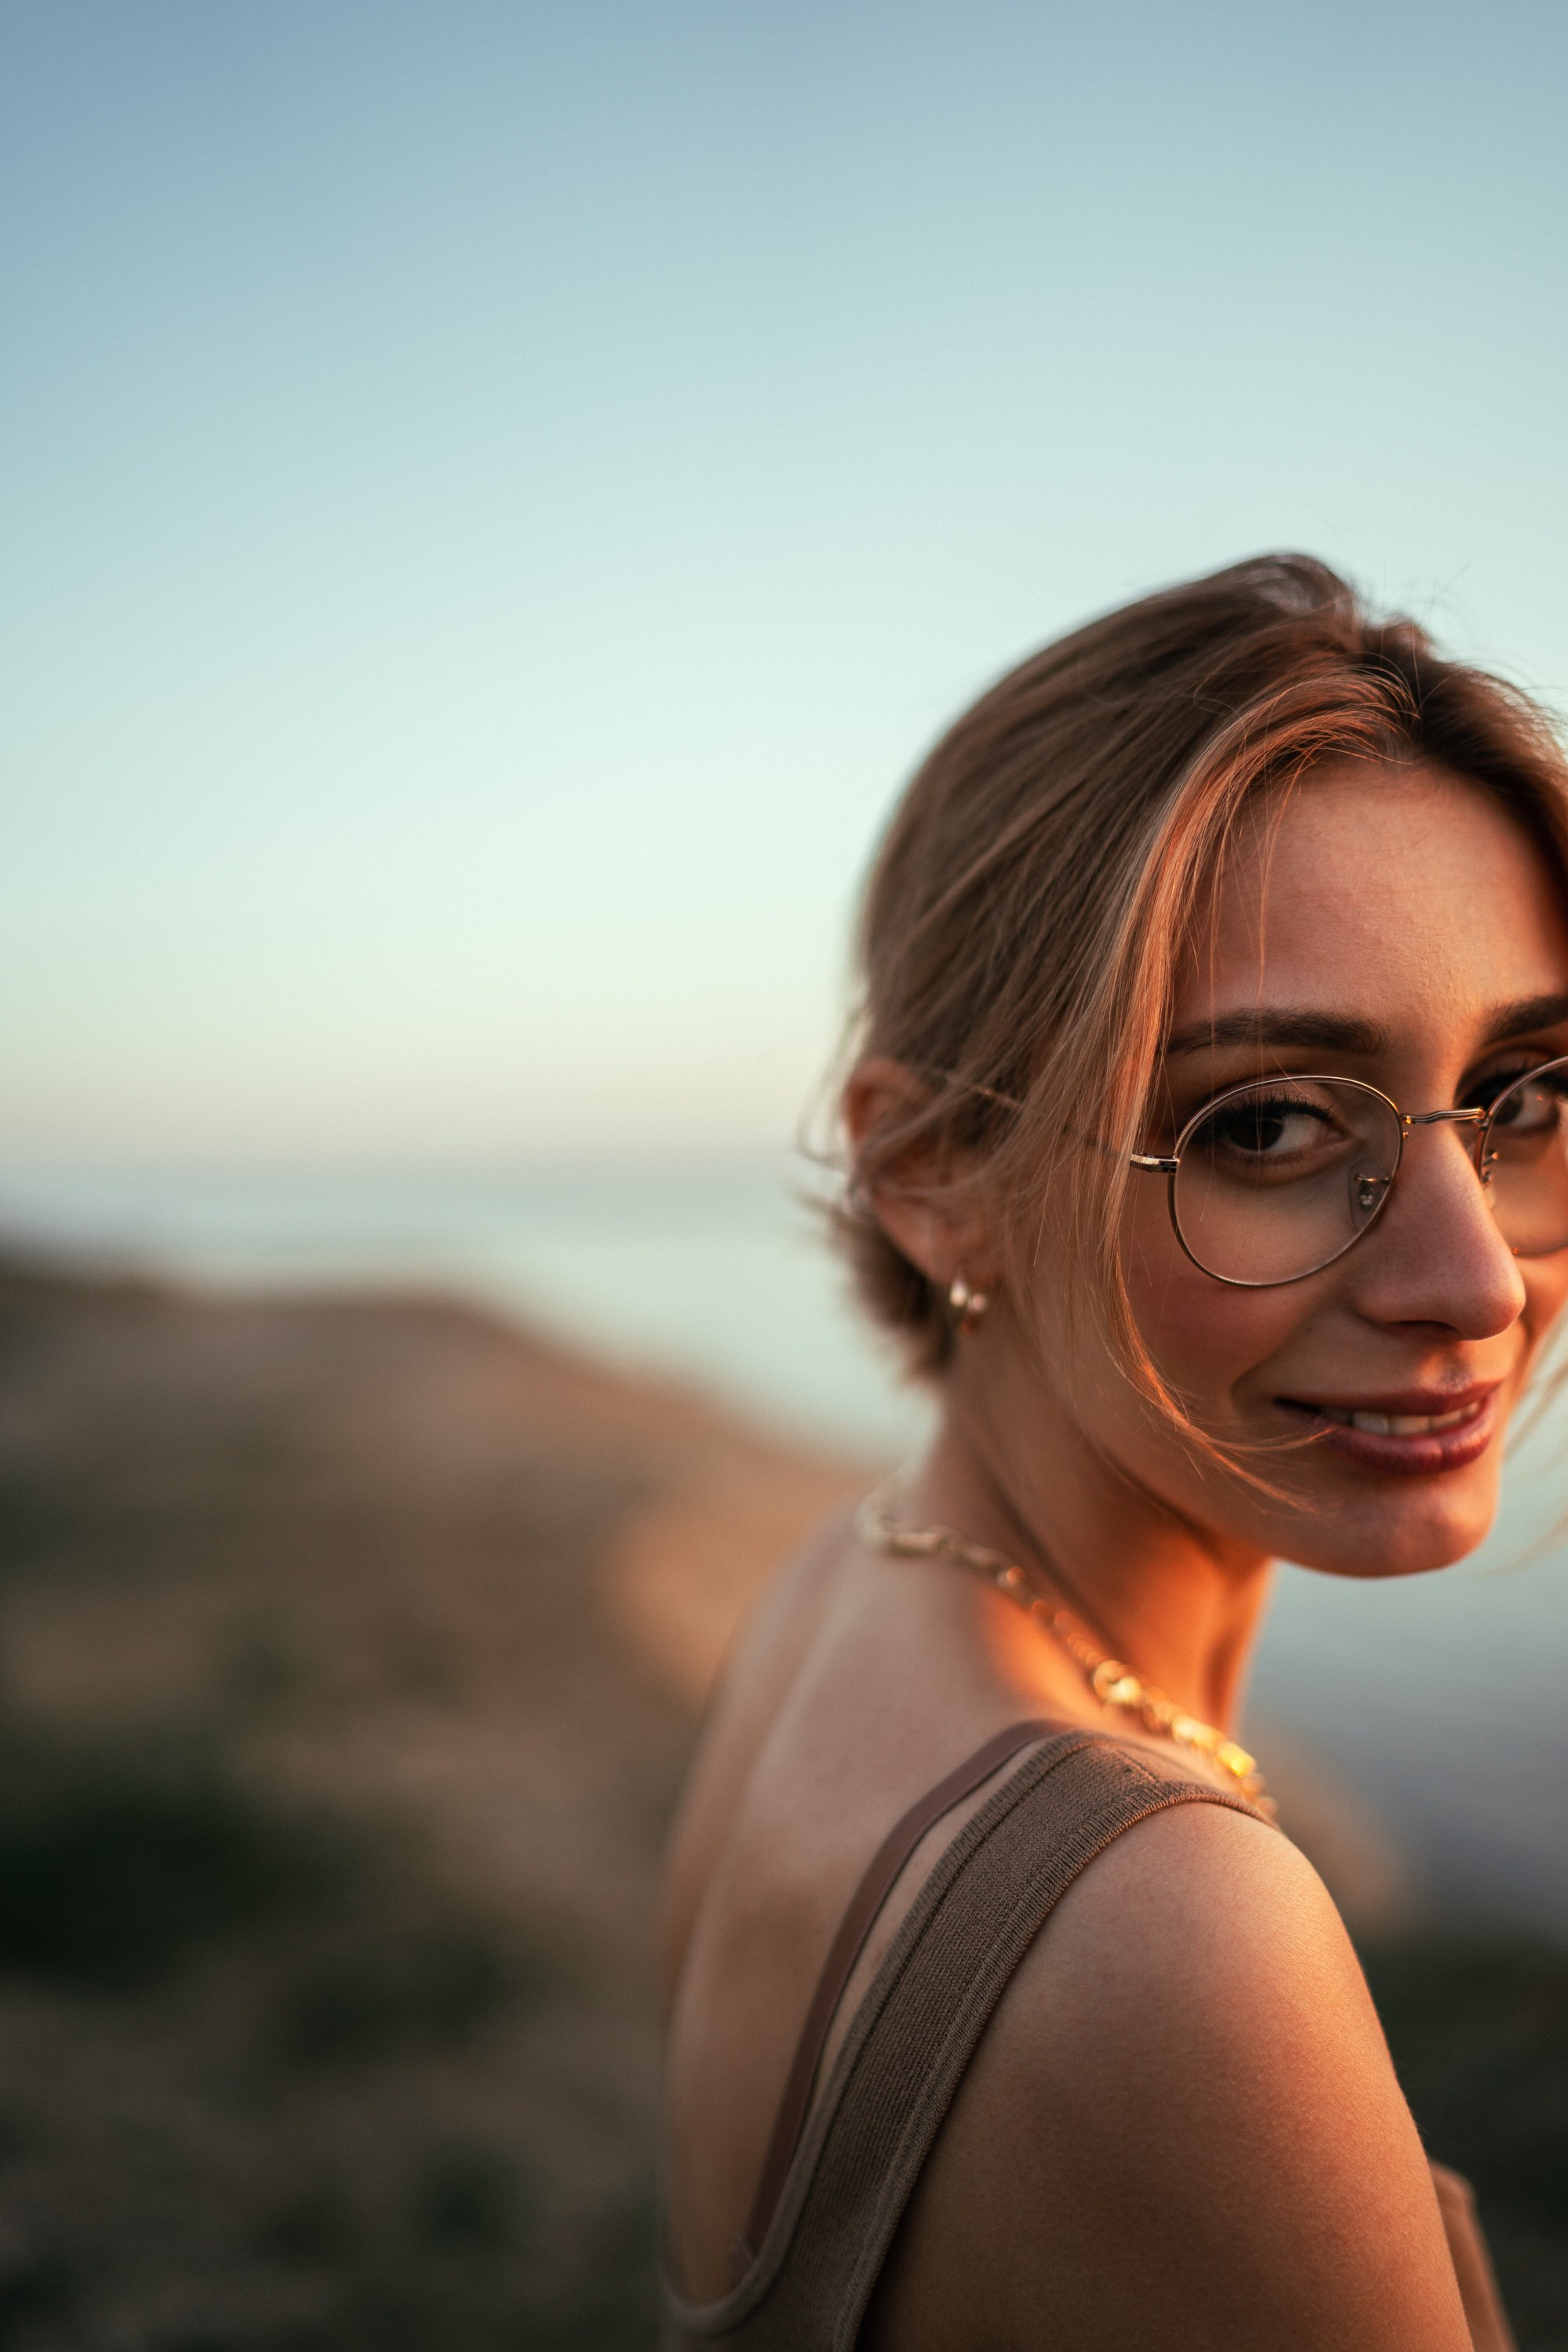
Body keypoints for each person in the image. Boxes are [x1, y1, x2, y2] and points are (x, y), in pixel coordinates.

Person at [659, 555, 1566, 2350]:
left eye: (1528, 1100)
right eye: (1267, 1123)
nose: (1473, 1282)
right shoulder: (1169, 1934)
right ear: (931, 1175)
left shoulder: (850, 1587)